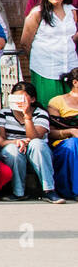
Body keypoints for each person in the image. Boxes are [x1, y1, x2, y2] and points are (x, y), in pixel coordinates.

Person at [0, 82, 62, 203]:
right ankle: (18, 192)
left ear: (32, 99)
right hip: (14, 148)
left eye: (22, 98)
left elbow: (35, 137)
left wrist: (27, 116)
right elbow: (1, 140)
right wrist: (16, 141)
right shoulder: (4, 113)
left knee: (37, 144)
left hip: (37, 152)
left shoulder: (40, 113)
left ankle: (49, 190)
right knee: (12, 150)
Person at [20, 0, 78, 105]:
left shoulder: (71, 11)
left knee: (72, 108)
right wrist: (38, 58)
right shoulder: (37, 13)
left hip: (70, 66)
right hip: (45, 68)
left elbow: (72, 37)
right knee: (50, 107)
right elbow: (25, 42)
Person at [44, 68, 78, 201]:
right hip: (65, 144)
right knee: (73, 144)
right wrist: (70, 131)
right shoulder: (57, 102)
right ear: (75, 82)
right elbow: (50, 132)